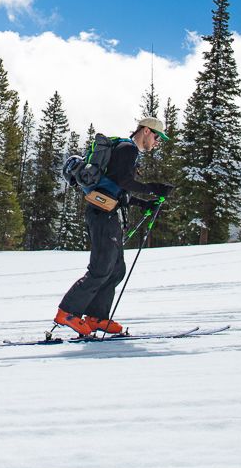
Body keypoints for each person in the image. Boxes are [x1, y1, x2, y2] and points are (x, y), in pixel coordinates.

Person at [54, 117, 173, 337]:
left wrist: (144, 203)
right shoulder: (127, 149)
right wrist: (154, 189)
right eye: (157, 137)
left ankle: (96, 317)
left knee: (116, 269)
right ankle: (68, 313)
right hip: (101, 215)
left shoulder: (128, 151)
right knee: (101, 268)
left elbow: (118, 190)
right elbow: (123, 182)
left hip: (107, 212)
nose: (157, 142)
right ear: (146, 131)